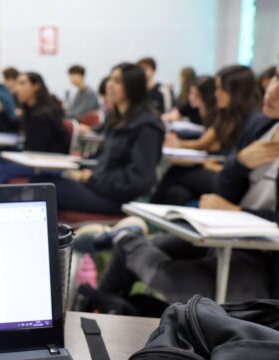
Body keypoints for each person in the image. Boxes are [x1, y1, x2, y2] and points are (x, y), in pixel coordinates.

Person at [77, 65, 279, 311]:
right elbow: (222, 190)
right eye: (276, 78)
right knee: (140, 243)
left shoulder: (146, 122)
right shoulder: (261, 127)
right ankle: (99, 309)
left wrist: (237, 210)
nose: (272, 90)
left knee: (163, 274)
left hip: (261, 261)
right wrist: (240, 162)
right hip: (224, 237)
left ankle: (124, 241)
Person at [35, 63, 165, 215]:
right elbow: (105, 161)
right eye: (110, 79)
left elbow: (137, 181)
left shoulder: (147, 126)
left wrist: (91, 178)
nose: (109, 85)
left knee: (43, 189)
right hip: (102, 188)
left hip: (121, 200)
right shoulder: (117, 119)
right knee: (43, 180)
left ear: (133, 86)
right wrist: (81, 169)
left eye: (117, 81)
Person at [153, 65, 260, 206]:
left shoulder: (252, 121)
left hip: (232, 181)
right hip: (223, 171)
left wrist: (216, 166)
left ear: (235, 91)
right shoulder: (228, 116)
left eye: (221, 89)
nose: (216, 94)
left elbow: (243, 167)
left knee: (176, 172)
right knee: (177, 193)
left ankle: (147, 211)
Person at [0, 72, 69, 183]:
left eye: (22, 83)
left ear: (36, 86)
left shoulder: (43, 114)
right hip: (32, 154)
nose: (17, 89)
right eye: (17, 84)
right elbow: (17, 128)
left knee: (3, 168)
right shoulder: (30, 109)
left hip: (46, 162)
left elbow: (37, 148)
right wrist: (1, 113)